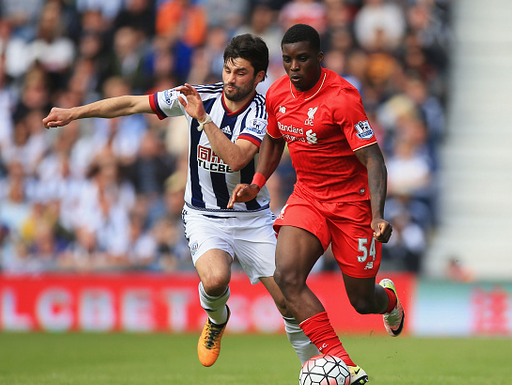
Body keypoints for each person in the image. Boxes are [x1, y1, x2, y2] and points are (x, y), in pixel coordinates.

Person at [43, 33, 317, 367]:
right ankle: (217, 319)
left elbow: (236, 159)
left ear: (260, 76)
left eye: (241, 72)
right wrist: (74, 112)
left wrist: (202, 118)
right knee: (215, 280)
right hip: (204, 214)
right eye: (228, 70)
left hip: (251, 218)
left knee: (289, 302)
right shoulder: (198, 95)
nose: (231, 79)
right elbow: (131, 103)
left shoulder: (263, 112)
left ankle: (312, 367)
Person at [229, 24, 404, 384]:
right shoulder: (277, 94)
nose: (294, 67)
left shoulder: (342, 97)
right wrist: (257, 183)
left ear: (319, 58)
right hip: (308, 196)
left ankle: (388, 301)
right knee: (286, 277)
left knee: (361, 300)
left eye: (303, 59)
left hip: (351, 206)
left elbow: (373, 159)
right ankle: (344, 364)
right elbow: (275, 141)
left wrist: (378, 216)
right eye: (288, 59)